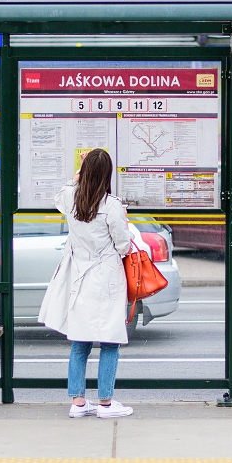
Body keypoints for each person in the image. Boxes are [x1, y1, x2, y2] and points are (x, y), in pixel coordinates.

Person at [38, 149, 133, 419]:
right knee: (110, 340)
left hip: (79, 274)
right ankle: (105, 402)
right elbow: (123, 245)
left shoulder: (71, 198)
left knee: (80, 341)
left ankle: (78, 402)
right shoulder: (111, 206)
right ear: (107, 175)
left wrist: (76, 177)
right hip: (106, 277)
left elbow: (60, 195)